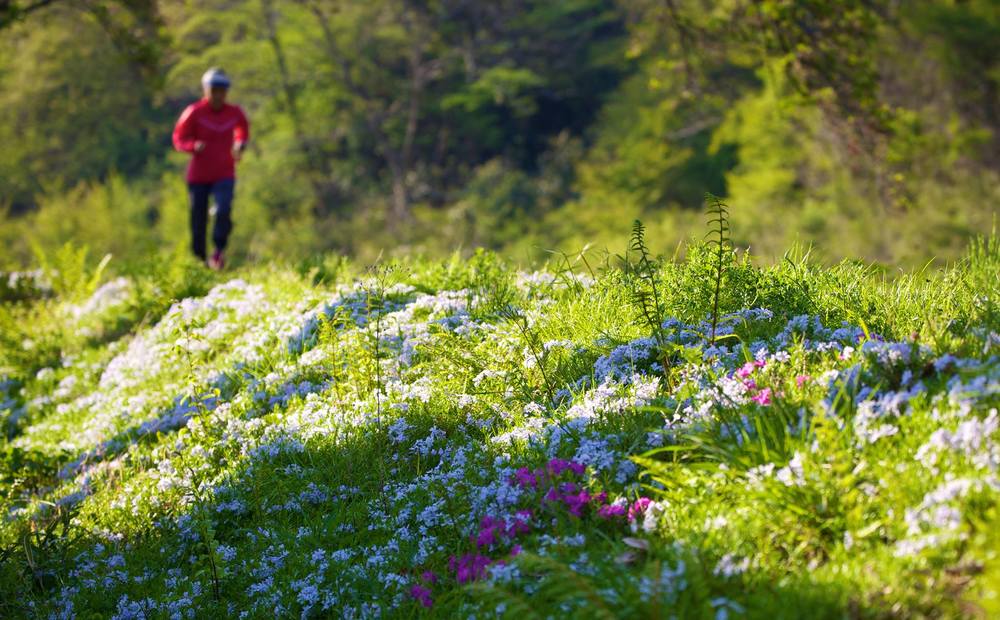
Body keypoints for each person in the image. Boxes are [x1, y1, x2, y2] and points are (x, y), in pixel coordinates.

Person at [172, 68, 249, 270]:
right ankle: (199, 261)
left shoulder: (234, 112)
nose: (217, 95)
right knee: (198, 220)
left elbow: (243, 129)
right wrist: (192, 146)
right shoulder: (194, 112)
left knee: (223, 210)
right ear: (206, 90)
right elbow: (179, 138)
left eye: (222, 90)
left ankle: (218, 252)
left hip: (224, 172)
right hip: (198, 176)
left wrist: (240, 143)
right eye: (214, 90)